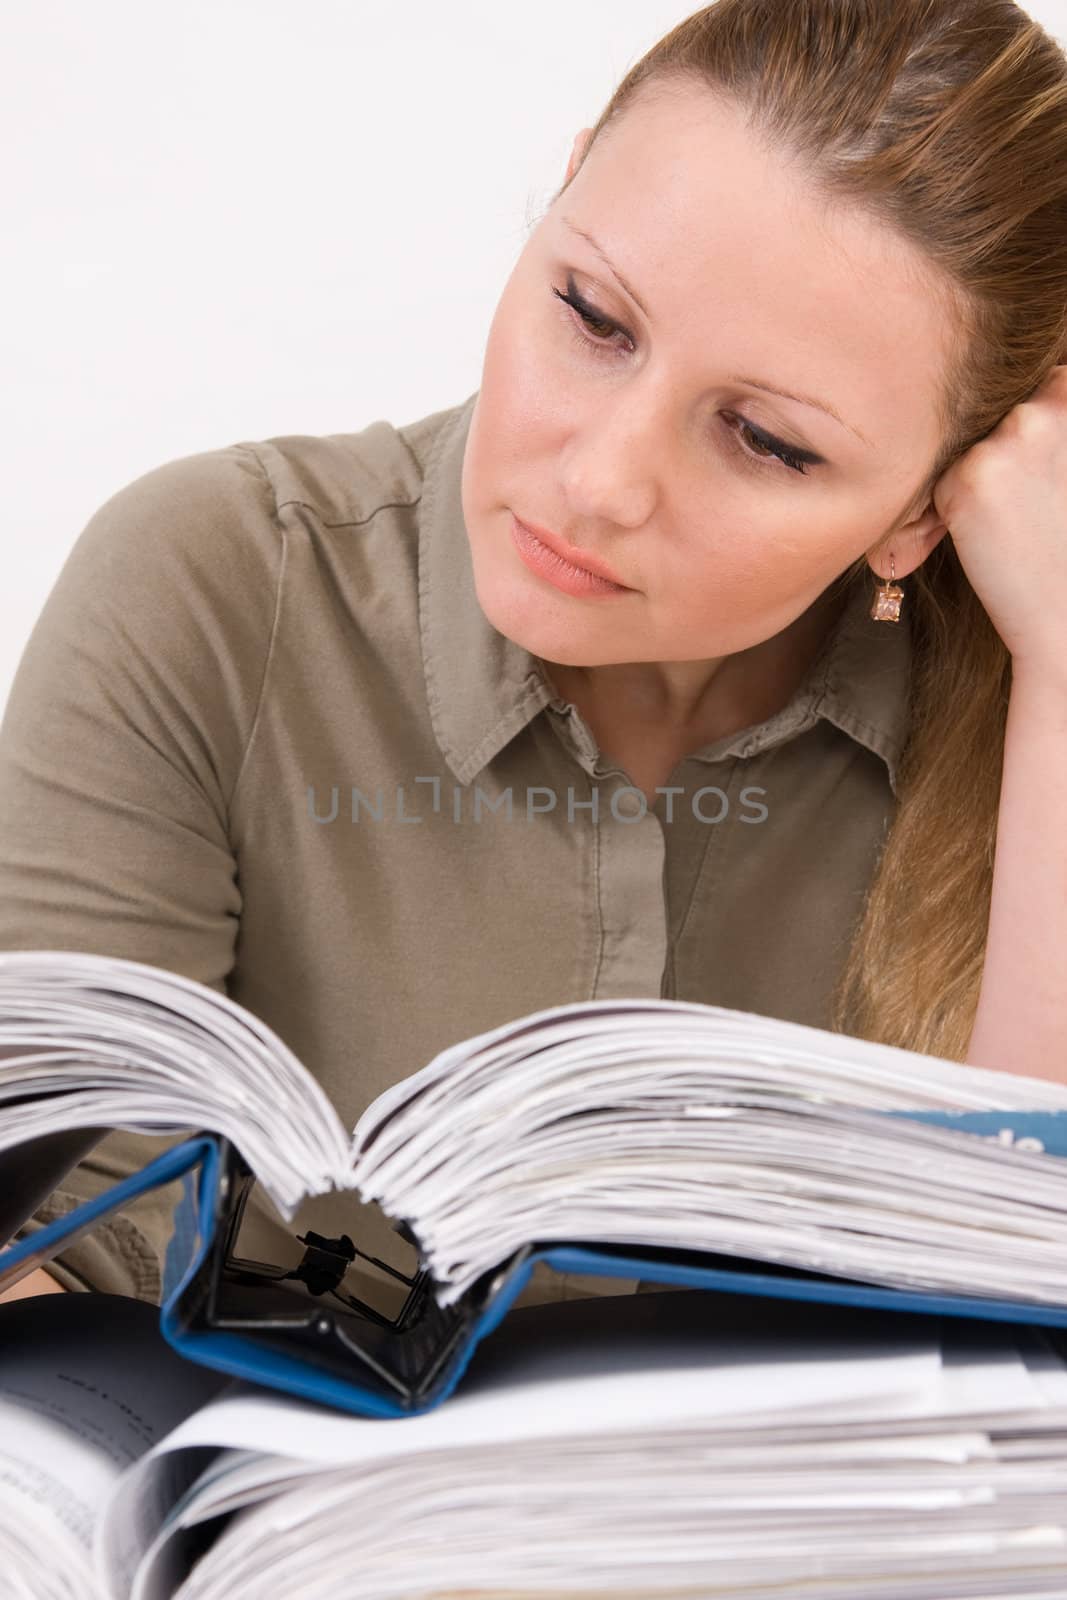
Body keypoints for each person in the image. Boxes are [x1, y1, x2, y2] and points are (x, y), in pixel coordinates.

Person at [3, 0, 1067, 1307]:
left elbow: (1019, 1325)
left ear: (924, 509)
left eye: (769, 442)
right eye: (593, 317)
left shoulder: (1022, 715)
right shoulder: (219, 583)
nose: (605, 480)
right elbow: (37, 1259)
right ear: (558, 196)